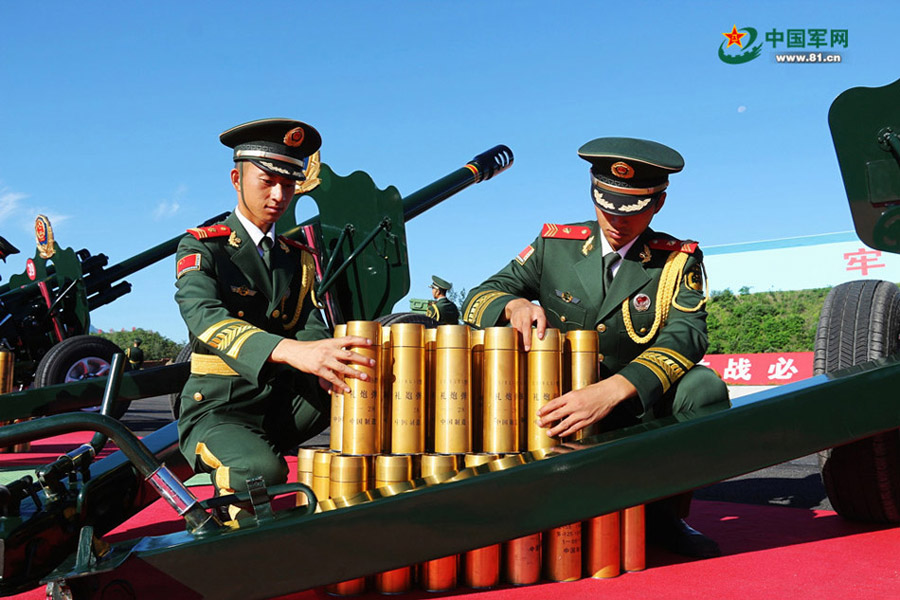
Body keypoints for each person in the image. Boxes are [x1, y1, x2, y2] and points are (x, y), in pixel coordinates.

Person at [462, 137, 730, 558]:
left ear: (657, 204)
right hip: (552, 402)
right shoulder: (555, 246)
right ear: (593, 195)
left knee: (704, 388)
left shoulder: (677, 259)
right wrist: (512, 304)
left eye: (633, 209)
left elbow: (687, 336)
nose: (616, 221)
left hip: (632, 404)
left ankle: (662, 514)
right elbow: (478, 296)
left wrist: (615, 389)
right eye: (606, 205)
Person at [174, 118, 372, 522]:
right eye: (267, 181)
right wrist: (293, 351)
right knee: (261, 472)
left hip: (280, 403)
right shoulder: (203, 245)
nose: (280, 194)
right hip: (219, 407)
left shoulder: (295, 254)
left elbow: (308, 321)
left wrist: (326, 355)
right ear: (236, 177)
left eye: (290, 183)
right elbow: (205, 318)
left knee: (370, 382)